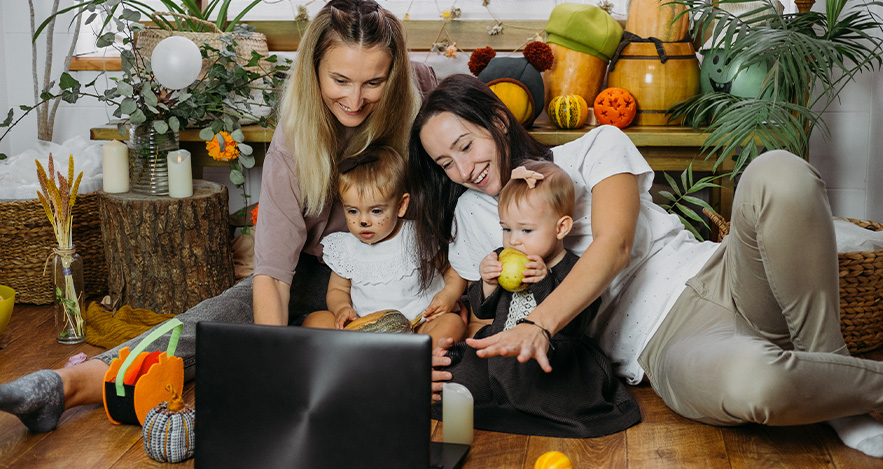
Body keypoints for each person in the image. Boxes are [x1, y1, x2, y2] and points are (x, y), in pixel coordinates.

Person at [0, 0, 438, 434]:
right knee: (213, 320)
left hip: (409, 269)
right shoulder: (295, 136)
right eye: (340, 80)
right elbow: (272, 273)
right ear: (314, 70)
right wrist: (278, 367)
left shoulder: (420, 94)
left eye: (373, 83)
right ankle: (63, 387)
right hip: (323, 273)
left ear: (394, 76)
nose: (355, 99)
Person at [409, 74, 883, 457]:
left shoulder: (595, 147)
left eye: (466, 145)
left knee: (780, 172)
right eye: (445, 163)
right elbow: (481, 314)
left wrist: (541, 322)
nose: (463, 169)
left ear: (497, 119)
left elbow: (614, 246)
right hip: (667, 344)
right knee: (755, 385)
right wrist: (433, 345)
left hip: (725, 274)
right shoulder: (476, 213)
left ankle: (832, 368)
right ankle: (851, 389)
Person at [431, 161, 640, 438]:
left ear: (561, 227)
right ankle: (495, 396)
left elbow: (579, 322)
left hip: (551, 353)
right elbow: (482, 309)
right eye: (506, 229)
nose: (513, 241)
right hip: (503, 353)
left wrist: (544, 282)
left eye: (526, 231)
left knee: (558, 392)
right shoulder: (503, 258)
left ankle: (526, 407)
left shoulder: (575, 268)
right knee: (458, 377)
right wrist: (489, 283)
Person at [302, 145, 466, 346]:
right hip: (364, 330)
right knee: (315, 321)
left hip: (419, 325)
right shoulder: (346, 248)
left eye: (376, 211)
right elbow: (337, 290)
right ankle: (363, 354)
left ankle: (422, 356)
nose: (363, 221)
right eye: (352, 211)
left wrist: (449, 295)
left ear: (401, 206)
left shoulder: (417, 237)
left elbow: (452, 270)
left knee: (452, 323)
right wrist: (341, 308)